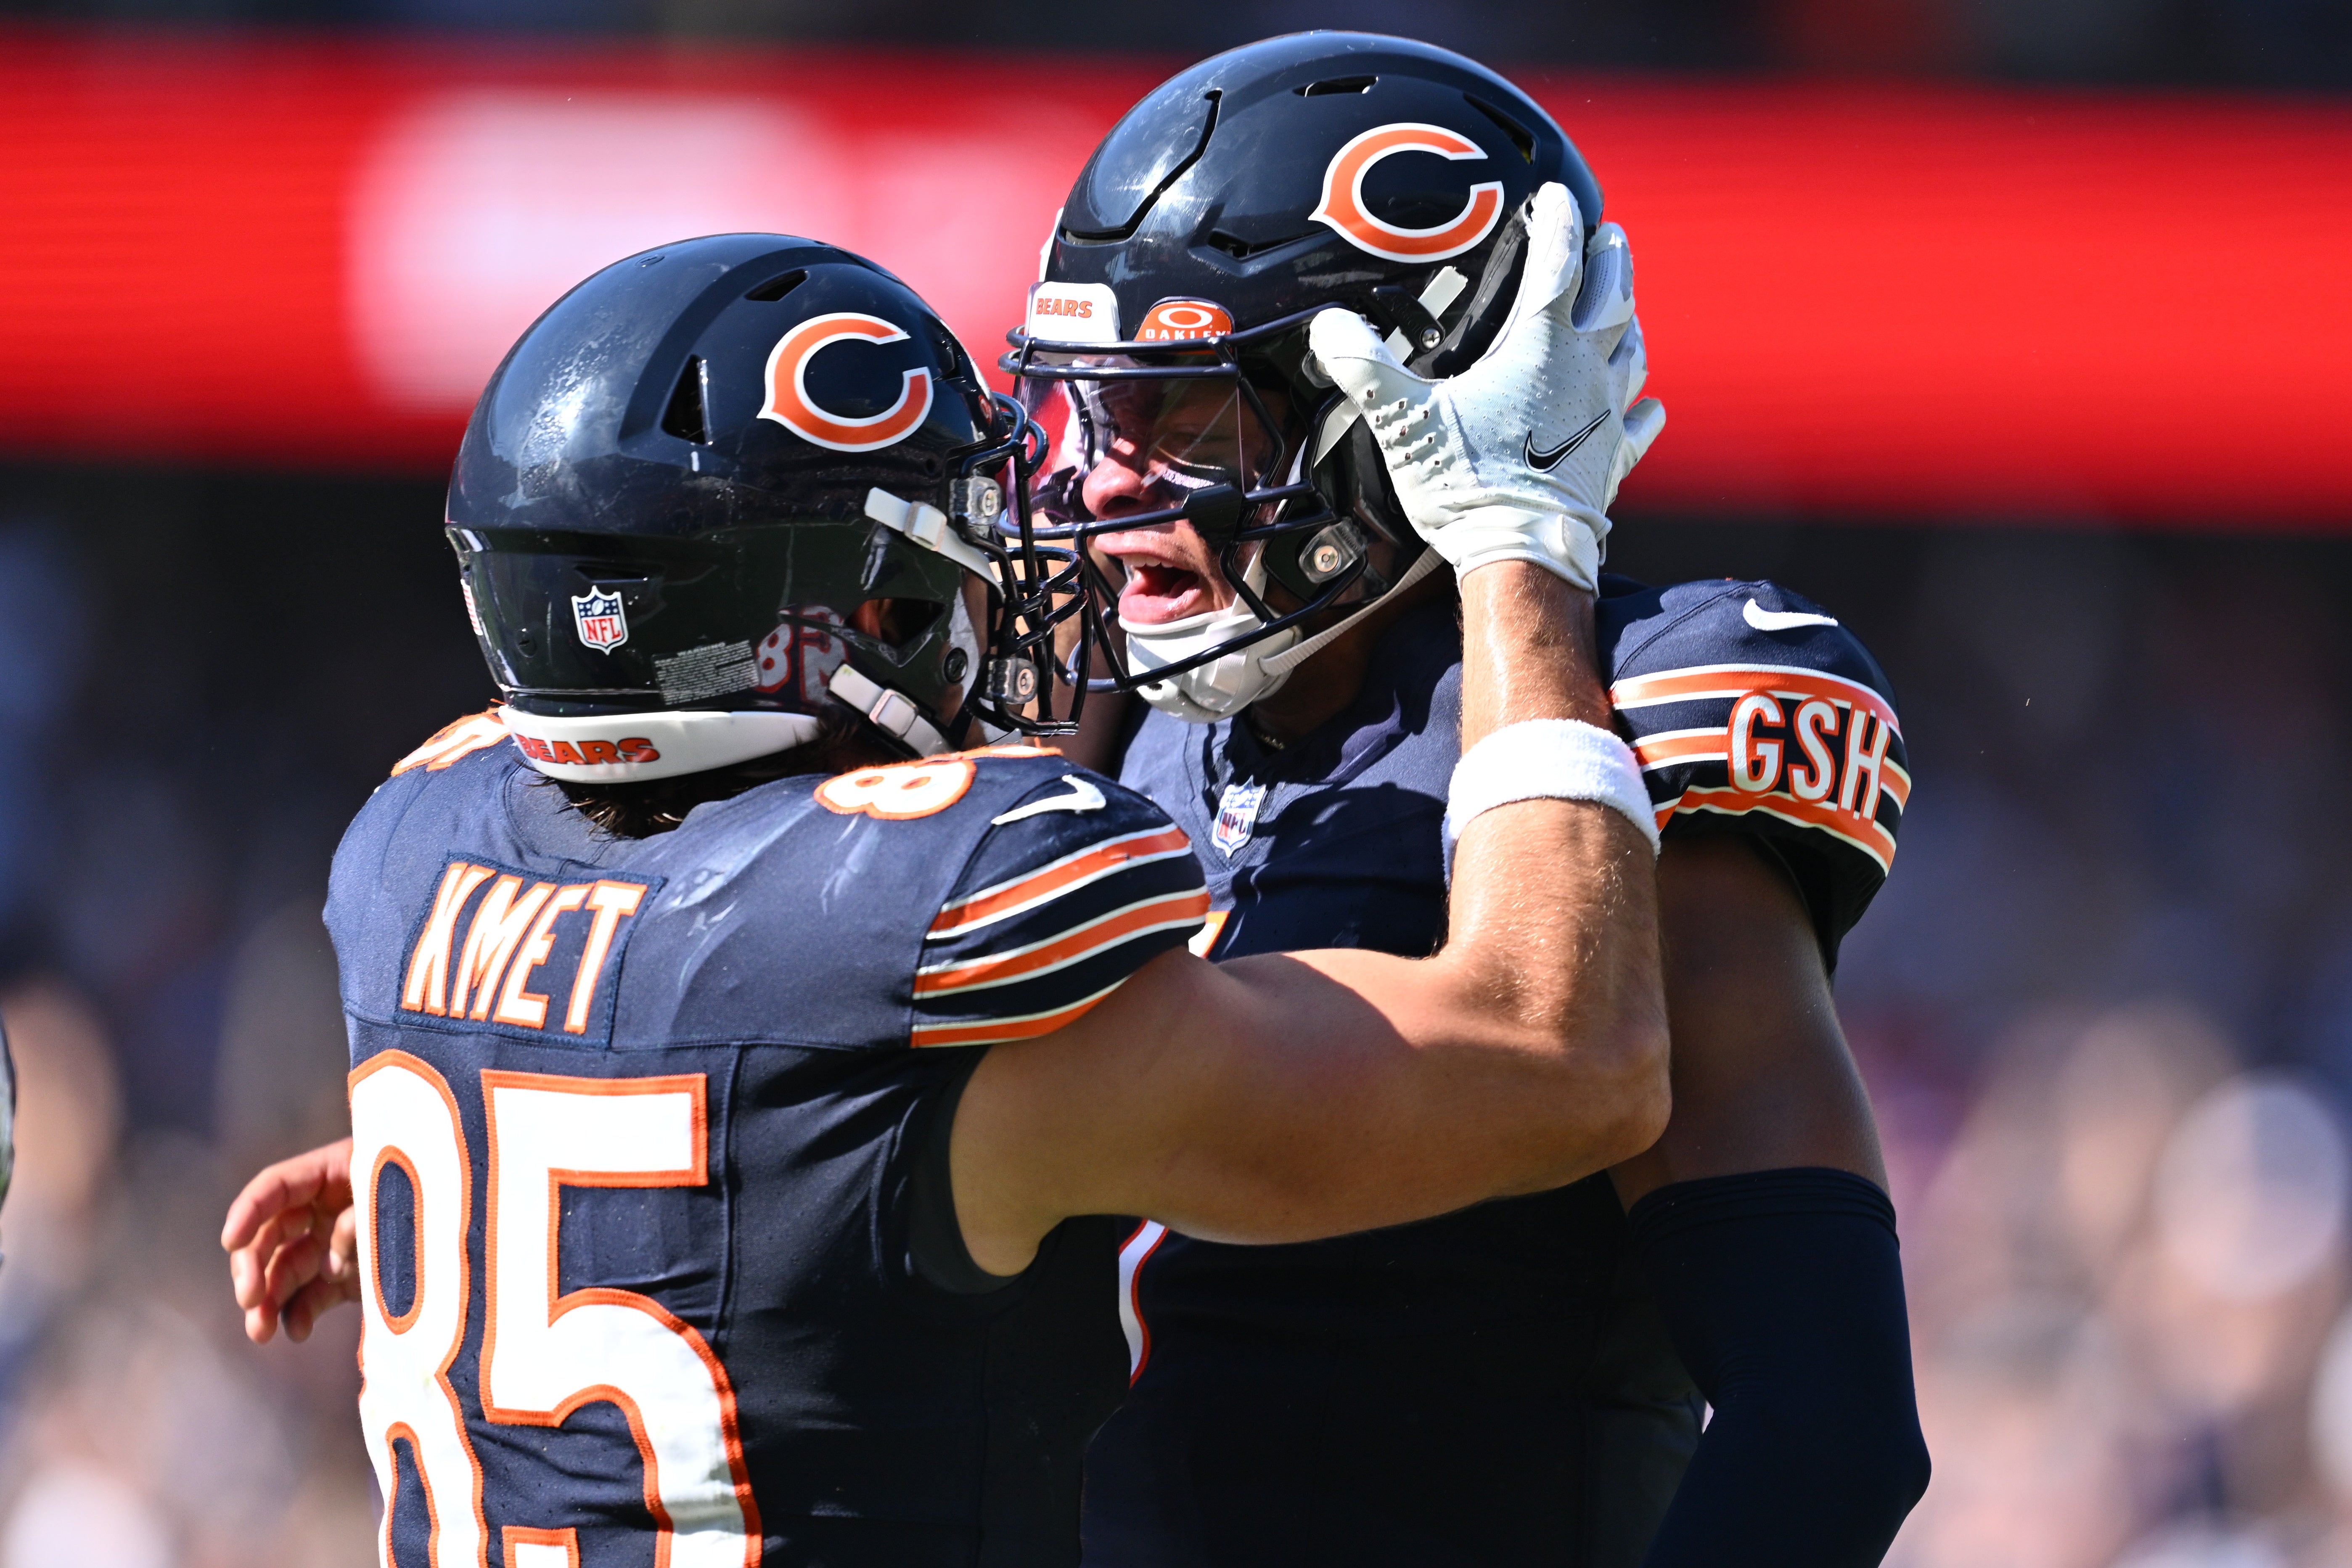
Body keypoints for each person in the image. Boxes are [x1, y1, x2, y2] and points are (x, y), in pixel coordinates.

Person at [221, 221, 1672, 1567]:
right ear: (851, 612)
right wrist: (1521, 544)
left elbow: (684, 1070)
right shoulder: (912, 962)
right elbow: (1562, 1055)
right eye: (946, 559)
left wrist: (540, 1189)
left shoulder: (424, 838)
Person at [1006, 34, 1930, 1568]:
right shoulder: (1133, 728)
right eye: (1099, 407)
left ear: (1412, 398)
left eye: (1193, 417)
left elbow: (1824, 1422)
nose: (1109, 479)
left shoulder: (1636, 708)